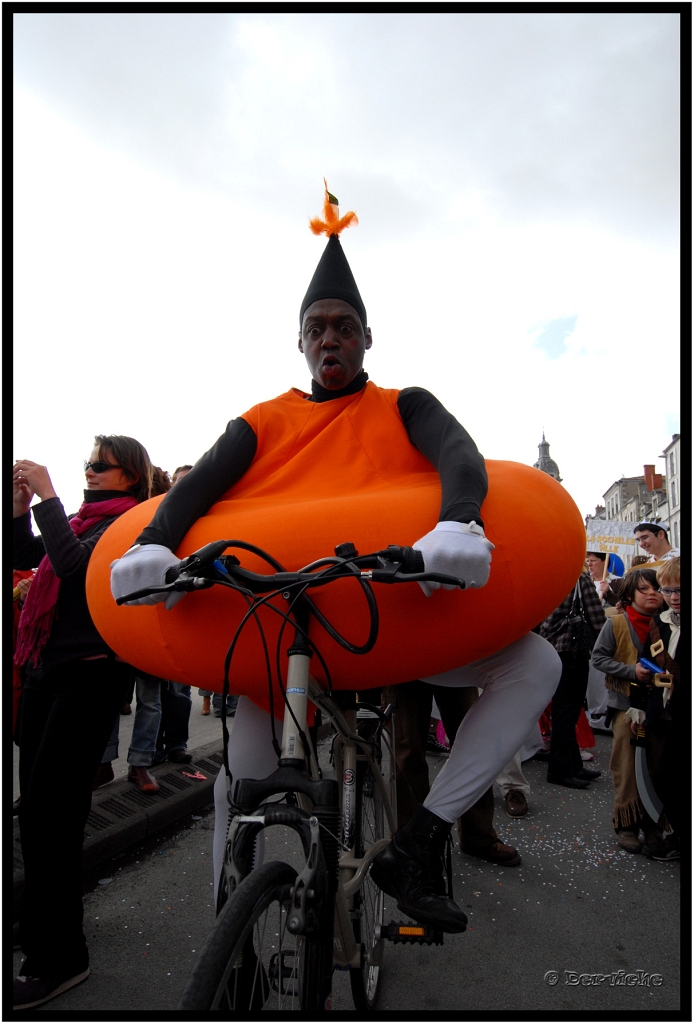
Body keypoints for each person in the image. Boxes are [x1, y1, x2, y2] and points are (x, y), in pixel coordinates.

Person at [111, 186, 562, 933]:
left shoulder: (403, 404)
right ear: (298, 341)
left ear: (366, 338)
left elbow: (460, 455)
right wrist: (156, 543)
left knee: (536, 664)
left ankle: (420, 840)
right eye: (317, 328)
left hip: (386, 619)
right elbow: (199, 491)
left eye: (345, 328)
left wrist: (459, 524)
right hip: (277, 624)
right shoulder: (261, 421)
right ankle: (234, 925)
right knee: (245, 782)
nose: (331, 340)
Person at [13, 435, 153, 1010]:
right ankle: (48, 922)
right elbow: (32, 560)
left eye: (102, 465)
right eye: (88, 465)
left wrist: (45, 495)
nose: (90, 472)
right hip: (48, 671)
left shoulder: (134, 525)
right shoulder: (78, 520)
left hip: (92, 678)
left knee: (51, 810)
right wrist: (22, 512)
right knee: (43, 811)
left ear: (130, 476)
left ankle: (61, 958)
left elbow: (74, 567)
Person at [383, 681, 522, 866]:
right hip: (404, 664)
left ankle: (478, 835)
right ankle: (411, 842)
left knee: (474, 743)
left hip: (453, 660)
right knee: (407, 753)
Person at [591, 569, 665, 854]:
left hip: (660, 708)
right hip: (625, 705)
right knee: (626, 765)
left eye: (656, 589)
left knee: (656, 766)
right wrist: (631, 671)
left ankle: (654, 823)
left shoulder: (669, 624)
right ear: (631, 594)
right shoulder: (617, 623)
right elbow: (599, 658)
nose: (652, 594)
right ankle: (627, 824)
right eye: (644, 589)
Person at [628, 559, 681, 860]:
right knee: (662, 775)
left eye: (681, 590)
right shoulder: (658, 623)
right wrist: (637, 706)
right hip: (659, 713)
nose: (674, 597)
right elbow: (642, 663)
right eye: (668, 590)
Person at [539, 572, 605, 788]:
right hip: (572, 650)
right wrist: (607, 641)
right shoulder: (578, 577)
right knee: (567, 711)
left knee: (564, 710)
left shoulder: (549, 578)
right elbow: (596, 615)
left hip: (552, 648)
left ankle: (573, 764)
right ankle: (560, 769)